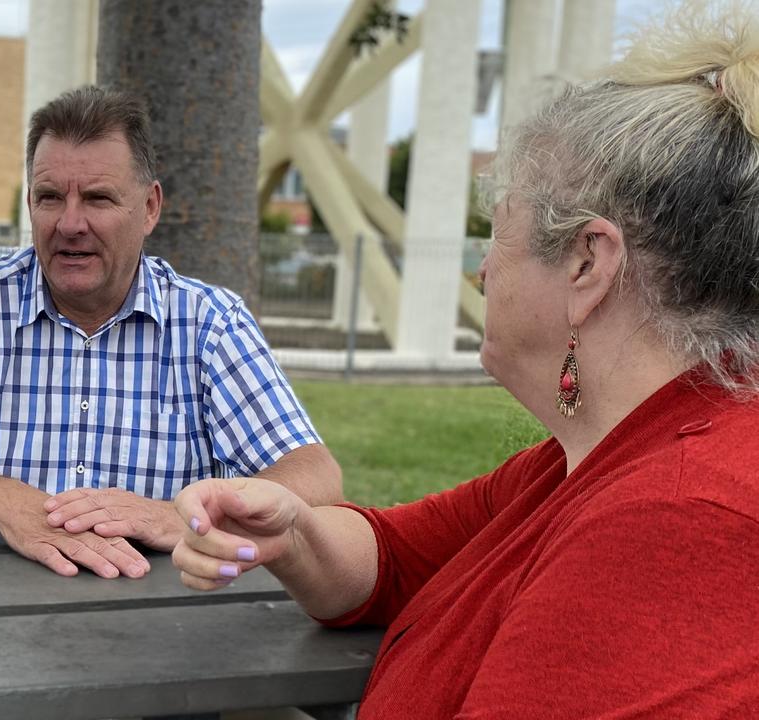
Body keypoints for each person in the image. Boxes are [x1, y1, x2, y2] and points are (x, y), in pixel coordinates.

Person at [173, 3, 759, 716]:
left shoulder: (678, 518)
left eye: (495, 234)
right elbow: (392, 558)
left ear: (586, 264)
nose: (482, 271)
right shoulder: (587, 458)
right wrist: (291, 530)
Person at [0, 86, 340, 579]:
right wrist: (1, 500)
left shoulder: (210, 324)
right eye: (50, 197)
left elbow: (315, 476)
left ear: (149, 208)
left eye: (97, 198)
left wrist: (178, 518)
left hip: (169, 619)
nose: (70, 223)